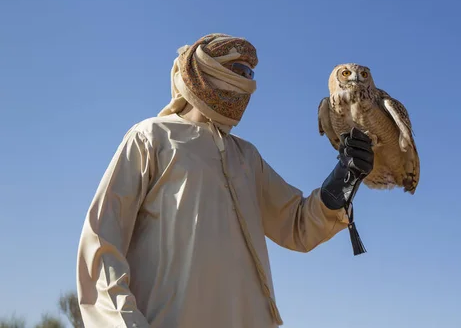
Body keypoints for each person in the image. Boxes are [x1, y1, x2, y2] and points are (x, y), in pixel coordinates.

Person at [75, 33, 374, 328]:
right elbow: (102, 243)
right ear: (204, 69)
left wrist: (340, 184)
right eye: (238, 71)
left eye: (249, 73)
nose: (245, 81)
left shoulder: (246, 157)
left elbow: (297, 225)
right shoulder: (153, 137)